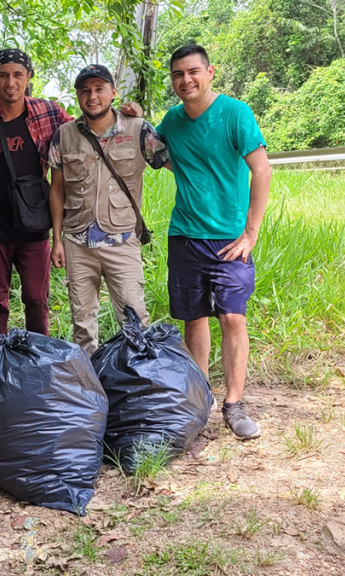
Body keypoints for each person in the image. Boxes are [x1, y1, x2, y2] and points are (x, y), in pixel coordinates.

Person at [157, 43, 272, 440]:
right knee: (194, 318)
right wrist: (132, 118)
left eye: (192, 72)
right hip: (185, 236)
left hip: (229, 239)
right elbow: (155, 153)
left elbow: (261, 170)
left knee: (233, 317)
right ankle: (199, 400)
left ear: (209, 73)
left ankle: (235, 403)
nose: (185, 80)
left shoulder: (235, 114)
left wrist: (251, 233)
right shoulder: (170, 121)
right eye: (177, 74)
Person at [48, 64, 169, 355]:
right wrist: (57, 240)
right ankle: (89, 390)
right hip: (77, 243)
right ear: (77, 96)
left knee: (134, 320)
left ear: (113, 92)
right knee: (82, 325)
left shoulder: (139, 129)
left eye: (99, 89)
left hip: (122, 241)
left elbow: (173, 164)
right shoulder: (63, 135)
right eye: (85, 90)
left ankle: (137, 385)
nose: (92, 96)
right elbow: (56, 190)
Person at [0, 49, 72, 336]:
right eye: (3, 75)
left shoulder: (49, 112)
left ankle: (37, 356)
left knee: (36, 299)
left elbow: (83, 133)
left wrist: (123, 117)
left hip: (34, 222)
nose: (11, 82)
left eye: (18, 75)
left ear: (29, 77)